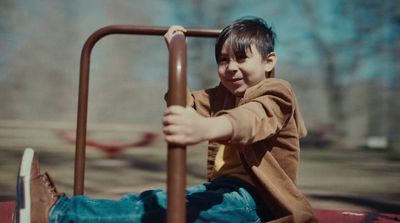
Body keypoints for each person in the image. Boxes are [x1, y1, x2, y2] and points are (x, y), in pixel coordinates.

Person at [14, 16, 316, 223]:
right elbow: (183, 103)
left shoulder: (277, 92)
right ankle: (63, 209)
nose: (230, 68)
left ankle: (55, 214)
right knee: (149, 200)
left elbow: (251, 120)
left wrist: (206, 127)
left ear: (269, 61)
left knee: (166, 210)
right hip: (223, 192)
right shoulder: (222, 94)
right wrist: (174, 55)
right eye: (223, 60)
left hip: (256, 204)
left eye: (241, 58)